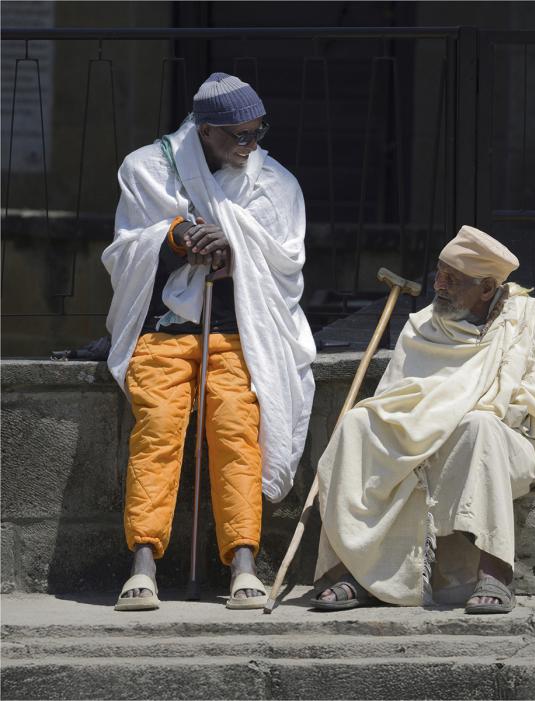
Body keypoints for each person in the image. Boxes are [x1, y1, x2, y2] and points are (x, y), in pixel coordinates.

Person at [103, 73, 315, 610]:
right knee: (157, 430)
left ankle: (242, 563)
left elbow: (286, 263)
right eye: (239, 135)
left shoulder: (276, 184)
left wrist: (235, 245)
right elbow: (124, 253)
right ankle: (142, 564)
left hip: (238, 333)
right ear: (205, 131)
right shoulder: (148, 169)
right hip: (164, 332)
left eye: (258, 132)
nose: (251, 145)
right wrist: (173, 237)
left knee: (236, 431)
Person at [313, 226, 535, 613]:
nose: (438, 285)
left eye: (452, 280)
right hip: (425, 432)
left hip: (507, 442)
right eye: (438, 274)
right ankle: (358, 571)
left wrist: (469, 405)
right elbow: (394, 396)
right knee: (358, 424)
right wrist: (433, 419)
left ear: (487, 288)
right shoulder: (423, 325)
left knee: (479, 426)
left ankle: (494, 572)